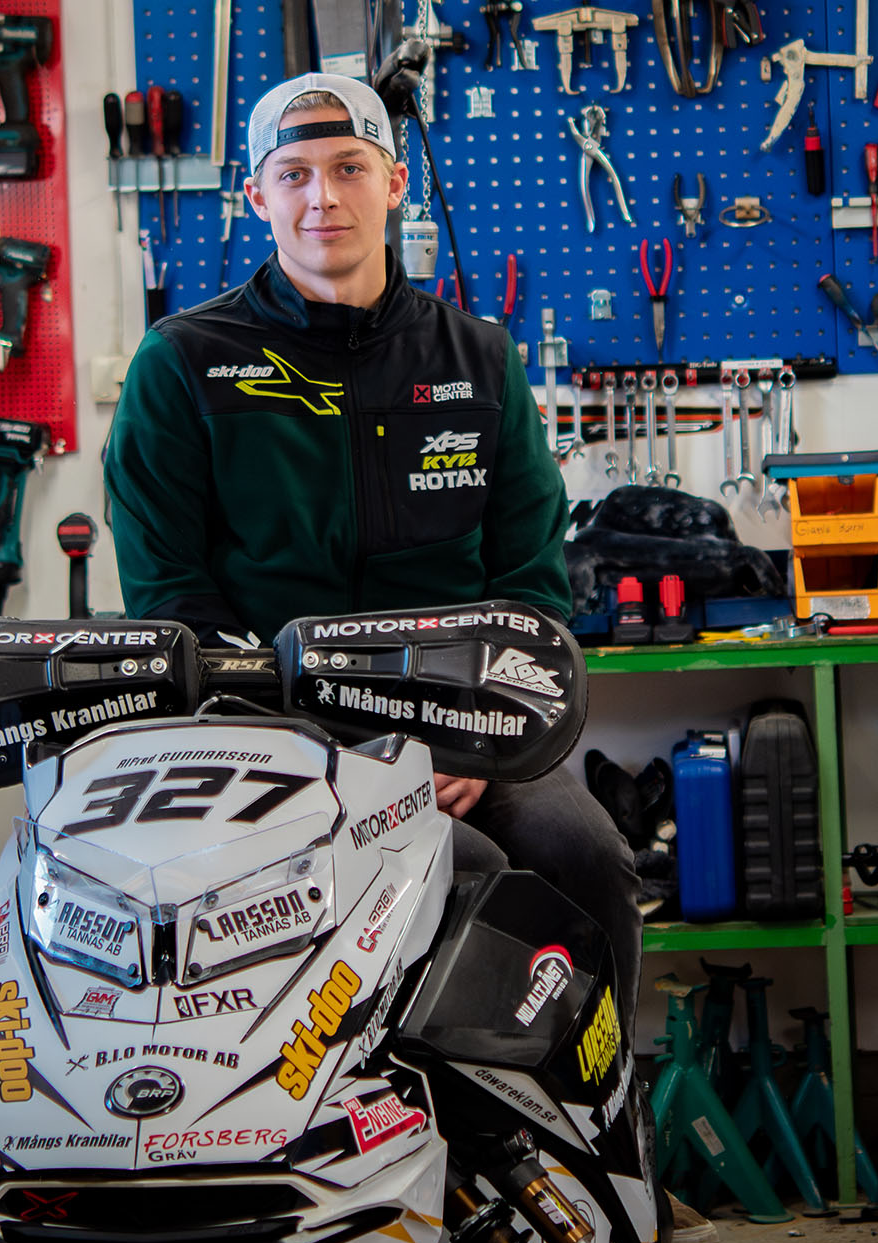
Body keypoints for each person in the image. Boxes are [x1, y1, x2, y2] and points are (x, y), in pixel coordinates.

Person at [101, 70, 648, 1042]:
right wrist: (321, 747)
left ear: (396, 184)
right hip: (272, 732)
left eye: (349, 167)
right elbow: (170, 600)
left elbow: (528, 588)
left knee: (582, 852)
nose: (323, 198)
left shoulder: (476, 358)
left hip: (464, 720)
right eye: (295, 173)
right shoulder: (180, 363)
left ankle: (602, 1139)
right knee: (451, 875)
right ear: (255, 196)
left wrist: (475, 740)